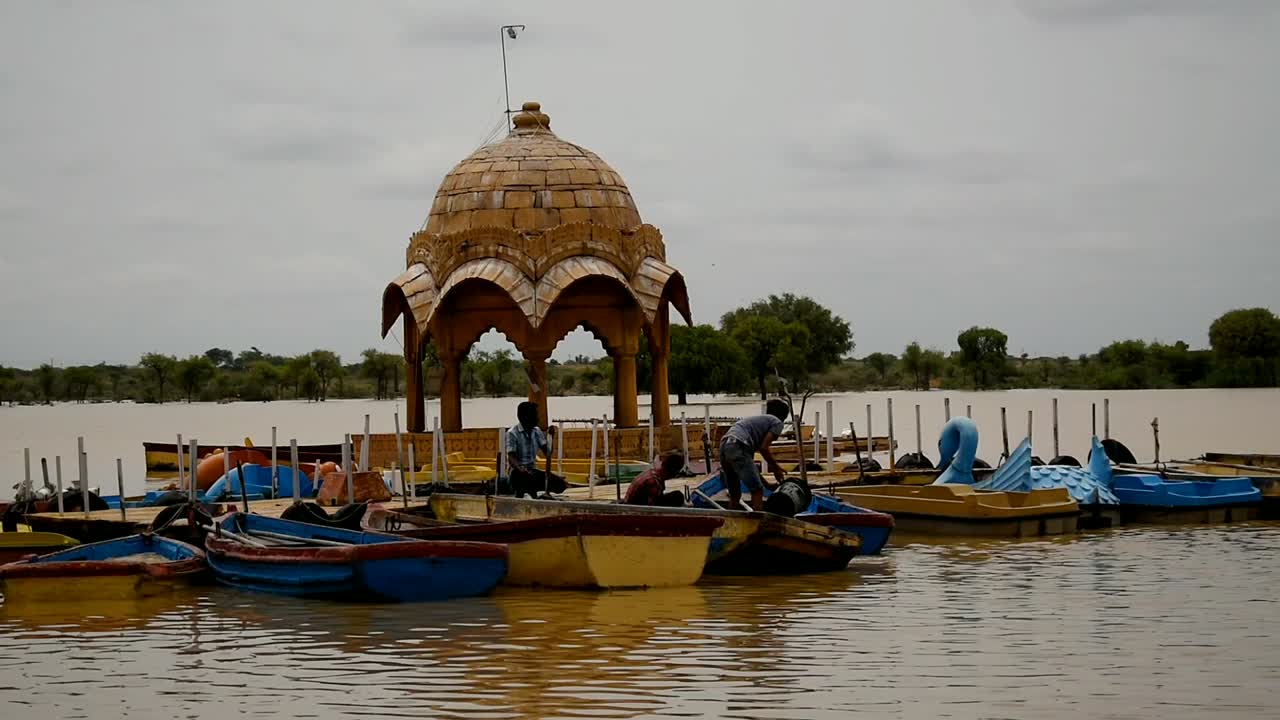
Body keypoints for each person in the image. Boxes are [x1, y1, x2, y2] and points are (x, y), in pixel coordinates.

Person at [719, 399, 789, 511]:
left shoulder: (755, 424)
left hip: (725, 445)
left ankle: (731, 523)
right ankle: (758, 524)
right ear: (784, 417)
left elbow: (750, 467)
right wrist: (776, 468)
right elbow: (764, 448)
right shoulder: (777, 423)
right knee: (757, 491)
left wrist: (767, 485)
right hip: (739, 445)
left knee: (735, 494)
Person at [505, 401, 565, 497]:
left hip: (532, 471)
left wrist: (550, 437)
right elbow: (511, 457)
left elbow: (548, 453)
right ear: (525, 417)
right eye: (535, 415)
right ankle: (526, 494)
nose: (538, 418)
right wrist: (520, 468)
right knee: (523, 478)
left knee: (560, 484)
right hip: (517, 474)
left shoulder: (536, 431)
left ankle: (535, 494)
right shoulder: (512, 433)